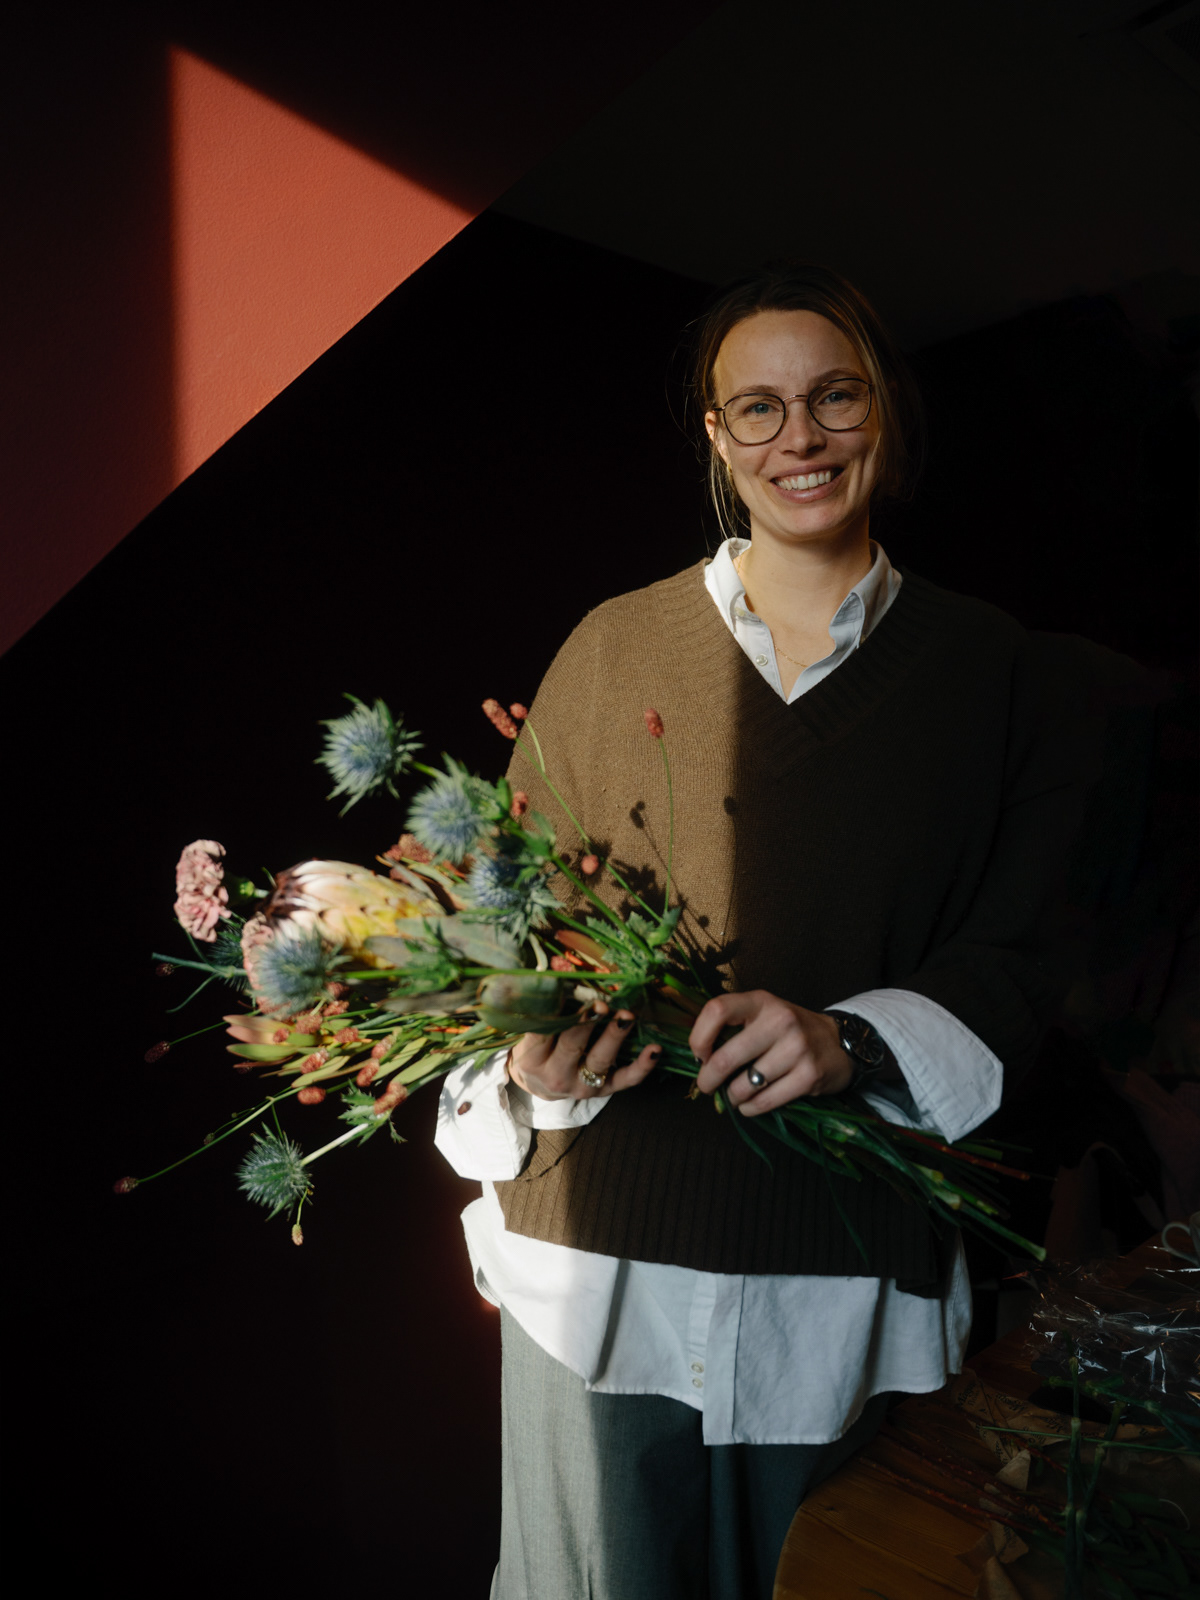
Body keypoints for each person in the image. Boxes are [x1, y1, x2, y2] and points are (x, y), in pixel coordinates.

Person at [434, 262, 1098, 1598]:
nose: (801, 437)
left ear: (883, 411)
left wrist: (853, 1040)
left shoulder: (995, 670)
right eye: (759, 408)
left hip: (841, 1281)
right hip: (595, 1273)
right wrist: (526, 1063)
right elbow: (493, 936)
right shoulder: (612, 648)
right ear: (718, 436)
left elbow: (1032, 952)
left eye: (834, 396)